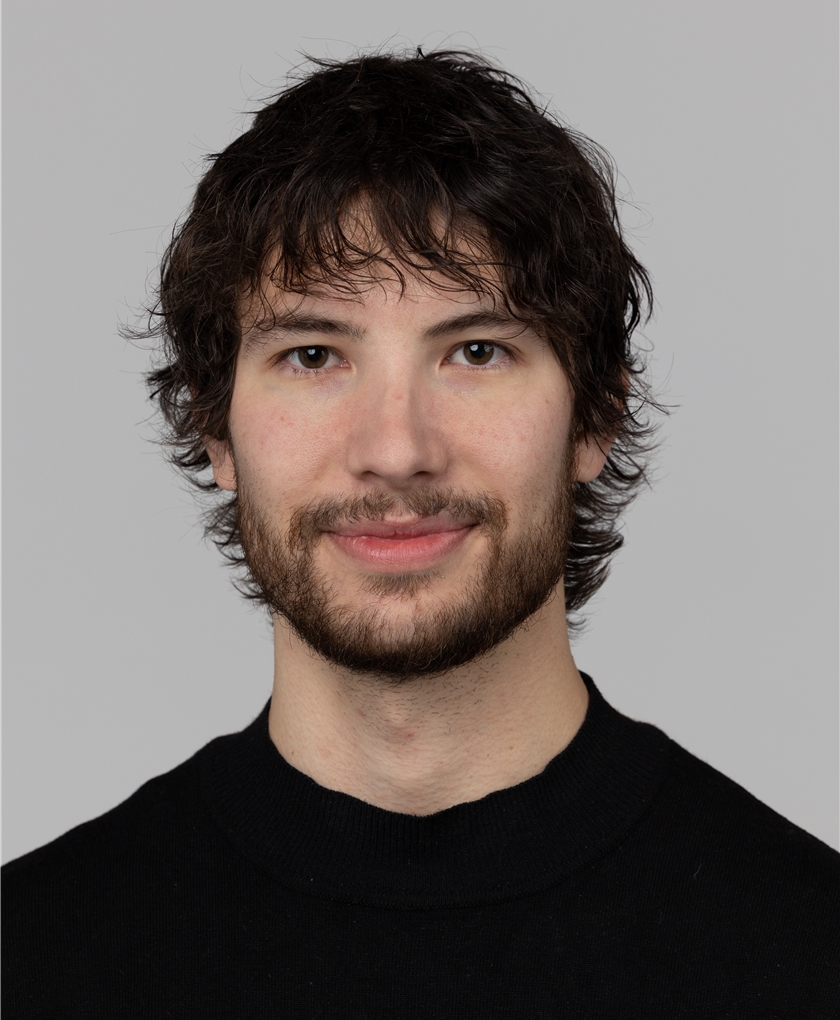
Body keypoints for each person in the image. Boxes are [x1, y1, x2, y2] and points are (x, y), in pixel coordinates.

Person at [3, 49, 837, 1017]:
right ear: (214, 427)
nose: (397, 451)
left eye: (476, 351)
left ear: (596, 418)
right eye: (313, 355)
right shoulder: (30, 960)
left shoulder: (810, 953)